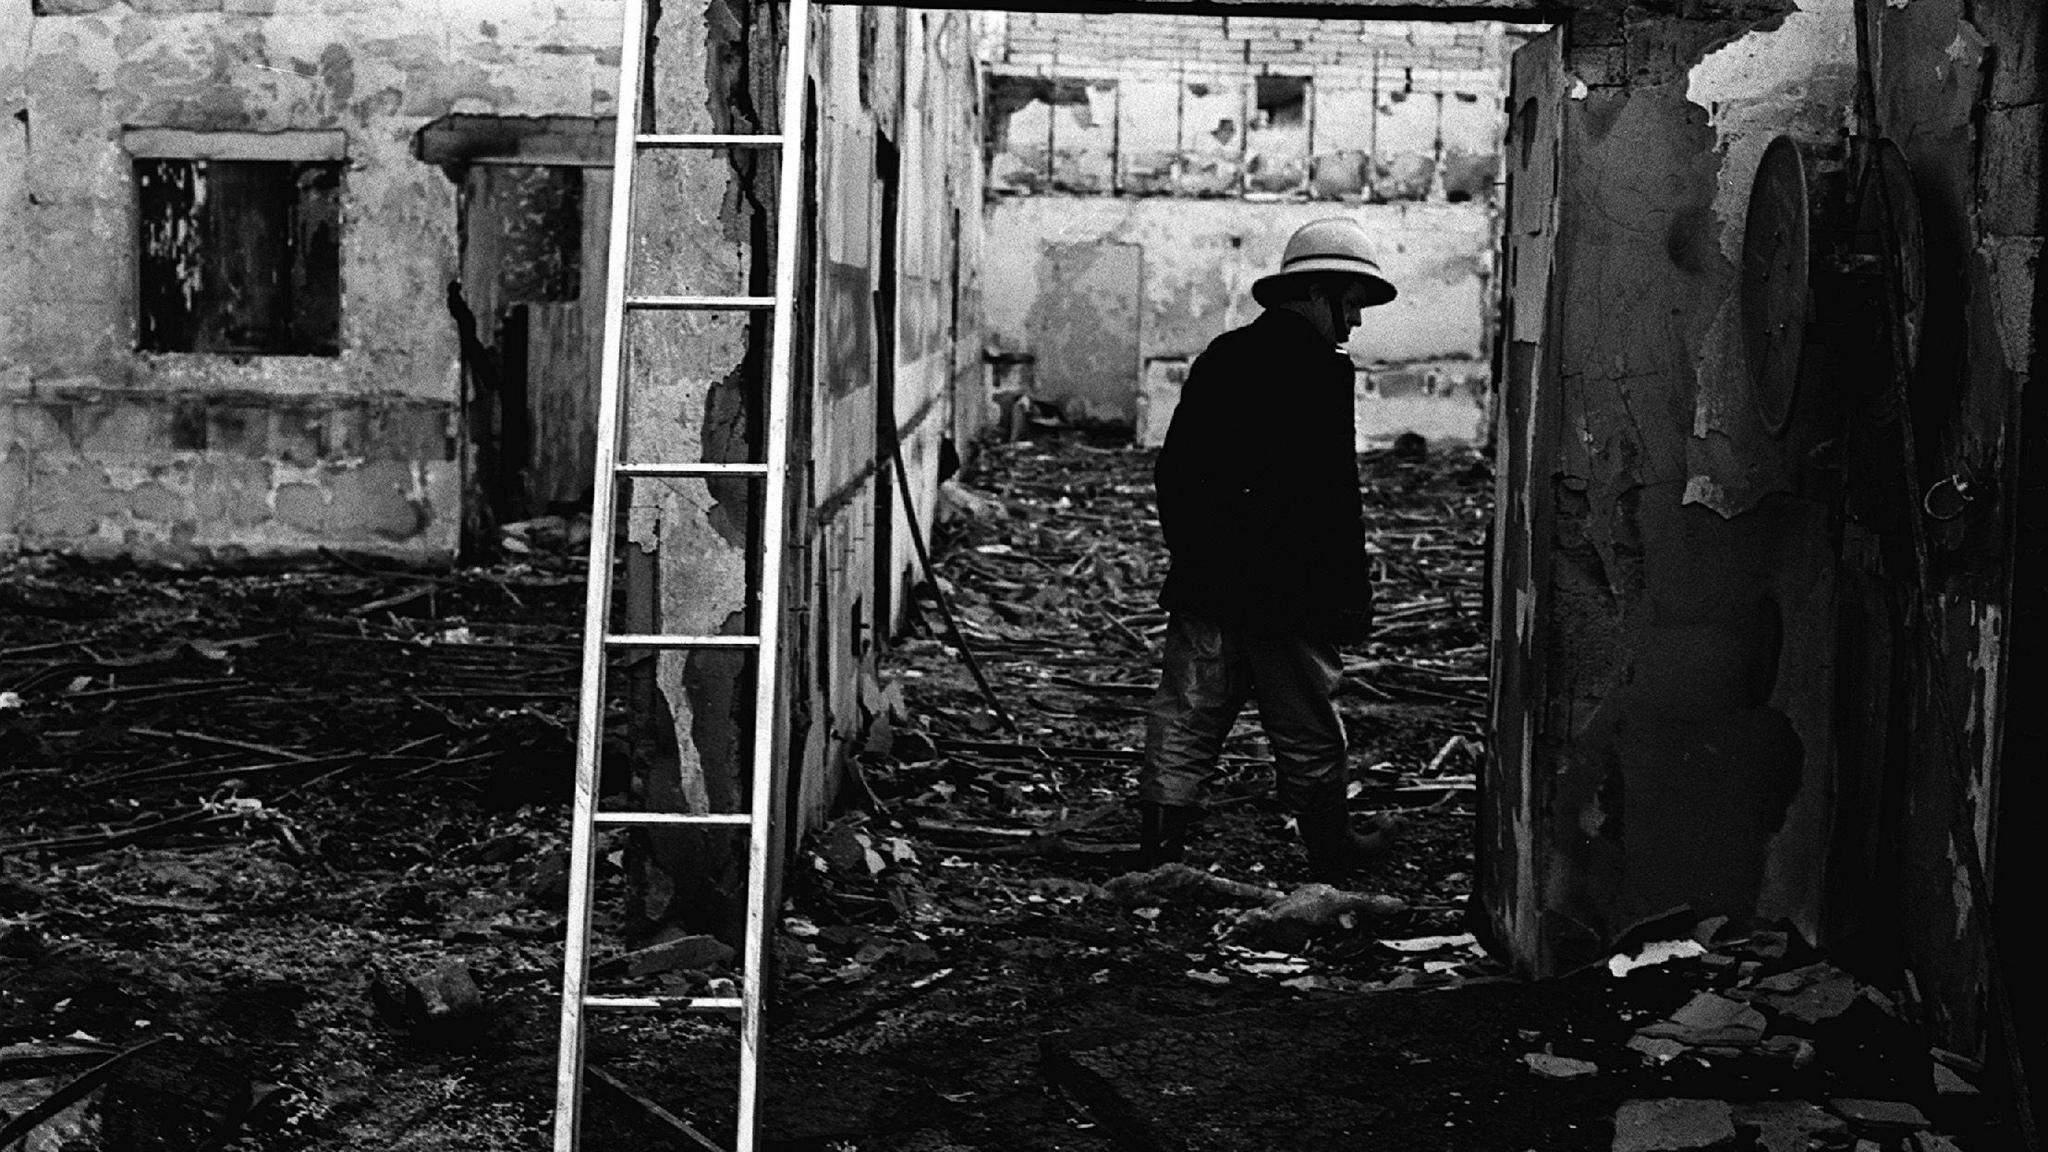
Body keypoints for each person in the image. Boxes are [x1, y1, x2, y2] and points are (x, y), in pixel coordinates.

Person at [1137, 217, 1398, 883]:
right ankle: (1331, 853)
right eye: (1352, 305)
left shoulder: (1222, 356)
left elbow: (1175, 473)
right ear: (1318, 293)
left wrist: (1196, 556)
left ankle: (1160, 851)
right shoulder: (1320, 371)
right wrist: (1349, 596)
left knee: (1188, 713)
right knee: (1308, 723)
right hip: (1291, 594)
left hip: (1209, 581)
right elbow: (1332, 498)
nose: (1355, 323)